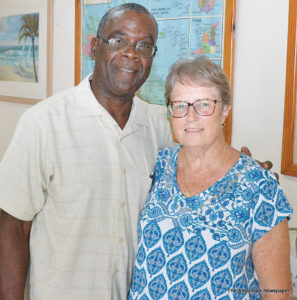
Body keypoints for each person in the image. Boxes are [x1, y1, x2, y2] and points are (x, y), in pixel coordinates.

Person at [0, 4, 172, 299]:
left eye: (144, 45)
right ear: (94, 47)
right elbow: (13, 226)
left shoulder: (160, 129)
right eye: (118, 40)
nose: (131, 53)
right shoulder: (43, 123)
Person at [128, 56, 293, 299]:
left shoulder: (260, 187)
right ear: (170, 113)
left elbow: (277, 293)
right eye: (181, 105)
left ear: (225, 109)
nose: (191, 116)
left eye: (204, 104)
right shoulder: (158, 165)